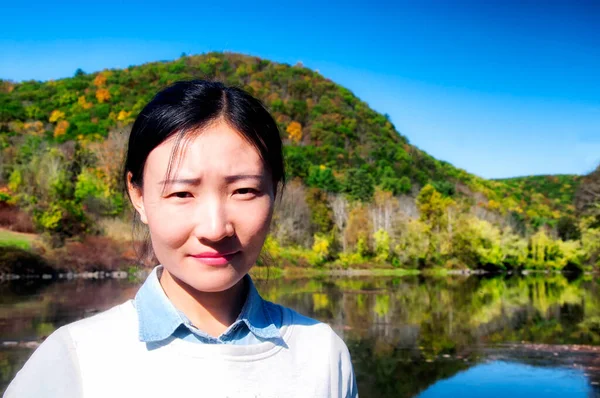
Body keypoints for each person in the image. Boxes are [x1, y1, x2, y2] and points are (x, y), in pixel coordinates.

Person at [4, 80, 358, 397]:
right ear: (138, 195)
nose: (215, 229)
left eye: (245, 190)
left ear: (274, 193)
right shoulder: (75, 359)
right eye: (182, 194)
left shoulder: (322, 354)